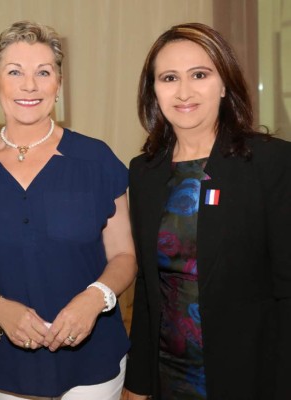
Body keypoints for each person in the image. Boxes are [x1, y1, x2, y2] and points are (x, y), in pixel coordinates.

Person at [0, 20, 137, 400]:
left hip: (92, 367)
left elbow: (124, 255)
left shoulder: (96, 160)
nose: (29, 85)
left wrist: (95, 297)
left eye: (43, 72)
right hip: (5, 370)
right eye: (15, 72)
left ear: (58, 84)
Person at [123, 23, 291, 400]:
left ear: (224, 83)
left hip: (251, 375)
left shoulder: (271, 161)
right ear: (154, 91)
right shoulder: (144, 171)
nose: (184, 91)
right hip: (168, 375)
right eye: (169, 78)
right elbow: (149, 290)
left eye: (199, 74)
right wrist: (137, 384)